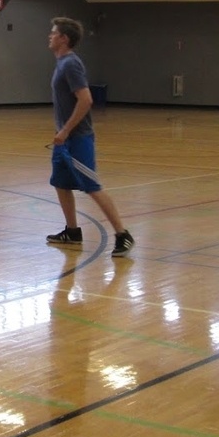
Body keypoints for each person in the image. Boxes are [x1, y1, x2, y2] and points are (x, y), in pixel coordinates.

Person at [45, 17, 135, 257]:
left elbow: (86, 100)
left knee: (92, 186)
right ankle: (72, 232)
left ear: (64, 38)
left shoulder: (70, 64)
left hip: (77, 139)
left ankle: (122, 234)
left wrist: (65, 131)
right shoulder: (62, 63)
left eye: (53, 33)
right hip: (63, 139)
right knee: (60, 183)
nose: (50, 36)